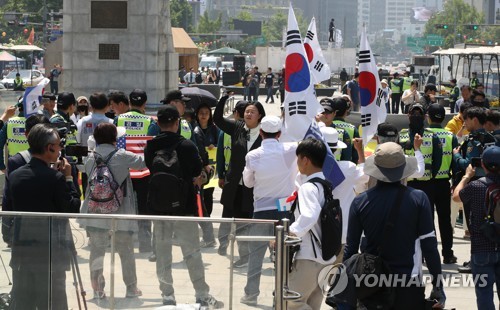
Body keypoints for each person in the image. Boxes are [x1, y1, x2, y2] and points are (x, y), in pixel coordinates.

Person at [344, 142, 446, 310]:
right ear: (403, 169)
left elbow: (351, 248)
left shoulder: (360, 202)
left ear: (376, 169)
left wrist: (347, 287)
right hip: (408, 284)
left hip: (371, 283)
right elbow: (429, 246)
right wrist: (438, 285)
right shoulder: (418, 199)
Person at [144, 105, 223, 308]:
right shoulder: (187, 145)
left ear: (158, 124)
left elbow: (150, 168)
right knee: (191, 252)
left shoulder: (150, 146)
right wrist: (206, 172)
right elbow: (198, 174)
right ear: (177, 123)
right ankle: (202, 295)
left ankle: (167, 296)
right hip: (184, 207)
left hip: (159, 208)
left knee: (162, 255)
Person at [6, 124, 81, 310]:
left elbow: (9, 208)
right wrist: (69, 179)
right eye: (58, 145)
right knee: (53, 302)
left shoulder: (15, 176)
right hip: (51, 252)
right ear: (49, 148)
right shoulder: (54, 178)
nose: (60, 149)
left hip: (22, 250)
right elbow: (71, 209)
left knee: (25, 302)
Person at [79, 123, 145, 299]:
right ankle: (131, 289)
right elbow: (143, 163)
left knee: (97, 252)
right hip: (120, 212)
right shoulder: (122, 156)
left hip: (96, 212)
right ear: (115, 138)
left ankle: (98, 290)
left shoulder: (89, 158)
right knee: (126, 252)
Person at [240, 115, 297, 306]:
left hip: (262, 209)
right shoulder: (291, 150)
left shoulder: (253, 155)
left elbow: (247, 183)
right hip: (284, 209)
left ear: (261, 132)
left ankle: (250, 294)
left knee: (255, 254)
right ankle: (279, 295)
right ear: (279, 133)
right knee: (283, 256)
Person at [213, 95, 265, 267]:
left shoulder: (266, 134)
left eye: (253, 112)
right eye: (247, 111)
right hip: (234, 184)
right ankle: (225, 244)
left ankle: (245, 256)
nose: (248, 114)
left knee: (245, 222)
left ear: (260, 115)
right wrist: (223, 100)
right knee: (229, 217)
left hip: (253, 187)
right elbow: (218, 119)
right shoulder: (237, 128)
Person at [287, 138, 336, 309]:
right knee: (312, 304)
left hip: (309, 257)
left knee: (289, 302)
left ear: (305, 160)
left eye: (298, 158)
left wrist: (289, 233)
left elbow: (309, 215)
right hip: (325, 258)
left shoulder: (308, 188)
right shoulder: (325, 186)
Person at [453, 146, 500, 309]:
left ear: (482, 164)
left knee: (484, 294)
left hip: (481, 248)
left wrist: (466, 176)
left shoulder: (476, 186)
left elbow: (456, 196)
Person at [412, 104, 458, 264]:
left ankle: (425, 254)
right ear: (443, 118)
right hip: (444, 183)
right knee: (445, 220)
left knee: (427, 220)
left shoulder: (424, 134)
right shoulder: (451, 136)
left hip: (426, 182)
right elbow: (455, 162)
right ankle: (448, 254)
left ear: (428, 117)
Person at [116, 89, 156, 254]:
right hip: (144, 172)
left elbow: (114, 144)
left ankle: (124, 244)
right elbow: (152, 148)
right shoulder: (150, 121)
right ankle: (145, 243)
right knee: (144, 209)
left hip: (123, 172)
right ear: (145, 104)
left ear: (130, 103)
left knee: (124, 206)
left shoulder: (118, 120)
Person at [1, 114, 50, 247]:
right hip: (37, 228)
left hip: (36, 228)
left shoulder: (57, 161)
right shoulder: (16, 161)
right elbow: (8, 196)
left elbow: (7, 198)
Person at [215, 99, 248, 255]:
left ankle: (223, 245)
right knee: (241, 219)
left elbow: (220, 155)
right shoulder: (247, 130)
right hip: (242, 181)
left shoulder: (228, 130)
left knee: (227, 216)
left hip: (230, 178)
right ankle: (242, 251)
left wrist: (220, 174)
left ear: (235, 113)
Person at [193, 103, 220, 248]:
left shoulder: (215, 129)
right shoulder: (193, 128)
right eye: (201, 112)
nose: (203, 115)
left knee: (207, 196)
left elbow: (219, 145)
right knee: (201, 197)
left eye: (206, 113)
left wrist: (213, 146)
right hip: (200, 168)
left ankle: (206, 220)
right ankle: (206, 223)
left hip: (211, 169)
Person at [331, 97, 360, 164]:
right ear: (346, 111)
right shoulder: (352, 128)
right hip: (346, 166)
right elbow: (356, 153)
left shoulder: (325, 126)